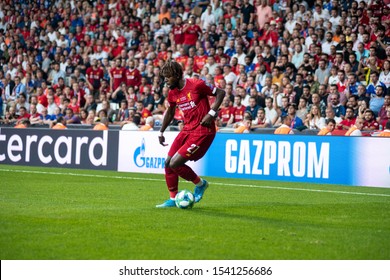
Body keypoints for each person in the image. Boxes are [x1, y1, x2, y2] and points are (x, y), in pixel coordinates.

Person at [156, 60, 225, 208]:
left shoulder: (196, 84)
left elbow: (221, 93)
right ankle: (173, 199)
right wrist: (161, 131)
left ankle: (201, 184)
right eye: (164, 77)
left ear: (177, 75)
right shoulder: (172, 92)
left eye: (168, 77)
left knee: (175, 163)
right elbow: (170, 111)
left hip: (202, 131)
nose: (166, 80)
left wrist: (211, 114)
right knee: (168, 163)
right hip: (187, 130)